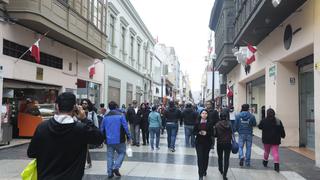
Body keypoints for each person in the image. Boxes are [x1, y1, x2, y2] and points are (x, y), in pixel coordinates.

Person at [27, 92, 104, 180]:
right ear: (75, 108)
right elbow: (99, 138)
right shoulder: (81, 129)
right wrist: (85, 119)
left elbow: (31, 153)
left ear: (57, 107)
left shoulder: (42, 127)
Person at [101, 101, 132, 179]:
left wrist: (101, 138)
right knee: (122, 152)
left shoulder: (105, 116)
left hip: (109, 140)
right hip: (119, 139)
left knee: (109, 156)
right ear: (116, 107)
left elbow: (102, 129)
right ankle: (116, 166)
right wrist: (129, 137)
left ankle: (110, 172)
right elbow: (125, 127)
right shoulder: (121, 115)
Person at [258, 108, 285, 172]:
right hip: (276, 139)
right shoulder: (278, 121)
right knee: (275, 152)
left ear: (267, 113)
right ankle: (276, 165)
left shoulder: (264, 120)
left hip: (266, 139)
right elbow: (281, 129)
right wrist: (283, 135)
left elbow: (259, 127)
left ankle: (265, 161)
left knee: (266, 151)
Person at [193, 109, 214, 180]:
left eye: (205, 113)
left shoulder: (210, 123)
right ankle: (200, 174)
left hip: (207, 142)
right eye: (203, 113)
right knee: (200, 157)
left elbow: (212, 133)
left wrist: (206, 133)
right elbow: (194, 132)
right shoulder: (197, 122)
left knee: (205, 157)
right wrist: (198, 133)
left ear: (207, 115)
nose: (204, 115)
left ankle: (205, 170)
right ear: (200, 114)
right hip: (199, 142)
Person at [80, 99, 99, 168]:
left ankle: (86, 162)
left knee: (85, 147)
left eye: (85, 103)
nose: (84, 104)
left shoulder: (92, 113)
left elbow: (96, 123)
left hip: (88, 132)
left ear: (88, 104)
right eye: (83, 103)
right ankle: (89, 162)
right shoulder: (79, 112)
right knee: (84, 148)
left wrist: (96, 132)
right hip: (80, 132)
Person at [215, 109, 232, 180]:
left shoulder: (217, 124)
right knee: (226, 159)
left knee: (220, 157)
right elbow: (232, 131)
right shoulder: (230, 124)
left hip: (220, 143)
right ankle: (225, 174)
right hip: (228, 143)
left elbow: (215, 134)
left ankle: (220, 169)